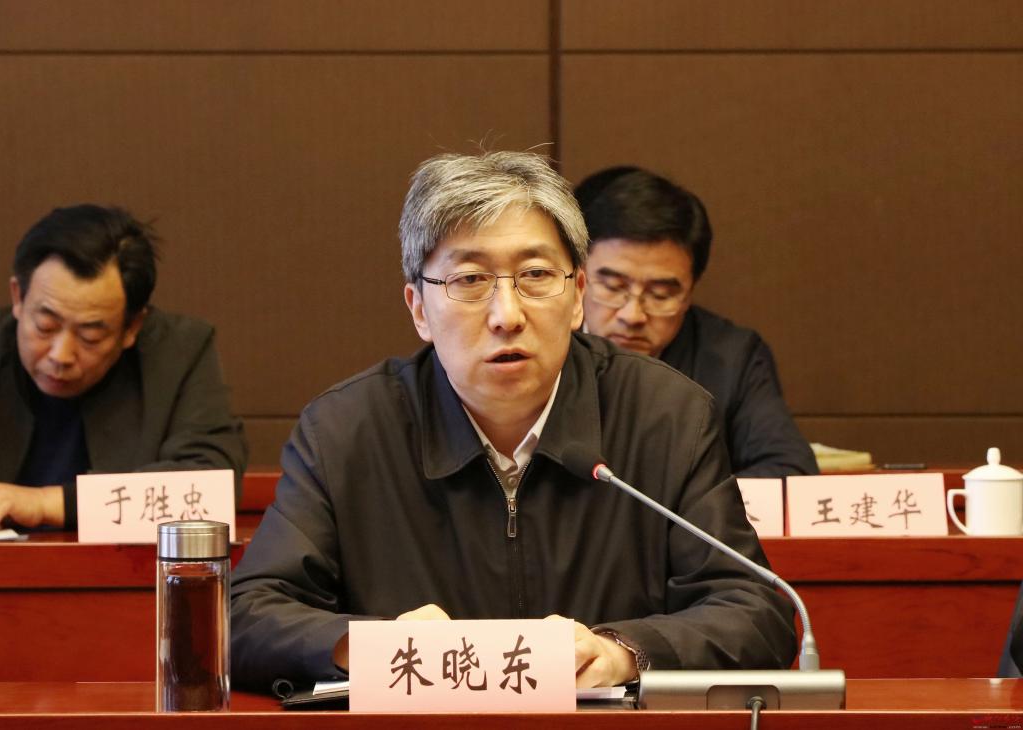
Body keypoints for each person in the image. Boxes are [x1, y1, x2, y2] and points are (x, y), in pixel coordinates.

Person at [230, 151, 796, 692]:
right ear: (419, 308)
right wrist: (377, 646)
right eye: (469, 280)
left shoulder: (665, 416)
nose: (507, 315)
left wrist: (622, 652)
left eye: (535, 275)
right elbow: (246, 616)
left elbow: (756, 611)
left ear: (577, 296)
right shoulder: (346, 431)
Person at [0, 204, 247, 529]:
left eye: (89, 336)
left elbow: (209, 488)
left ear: (132, 327)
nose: (61, 355)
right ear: (18, 298)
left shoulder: (179, 353)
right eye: (45, 326)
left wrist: (45, 504)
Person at [575, 167, 817, 478]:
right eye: (613, 287)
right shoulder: (540, 346)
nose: (632, 315)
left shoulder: (732, 358)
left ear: (690, 292)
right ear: (579, 277)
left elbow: (790, 470)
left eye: (660, 294)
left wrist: (694, 500)